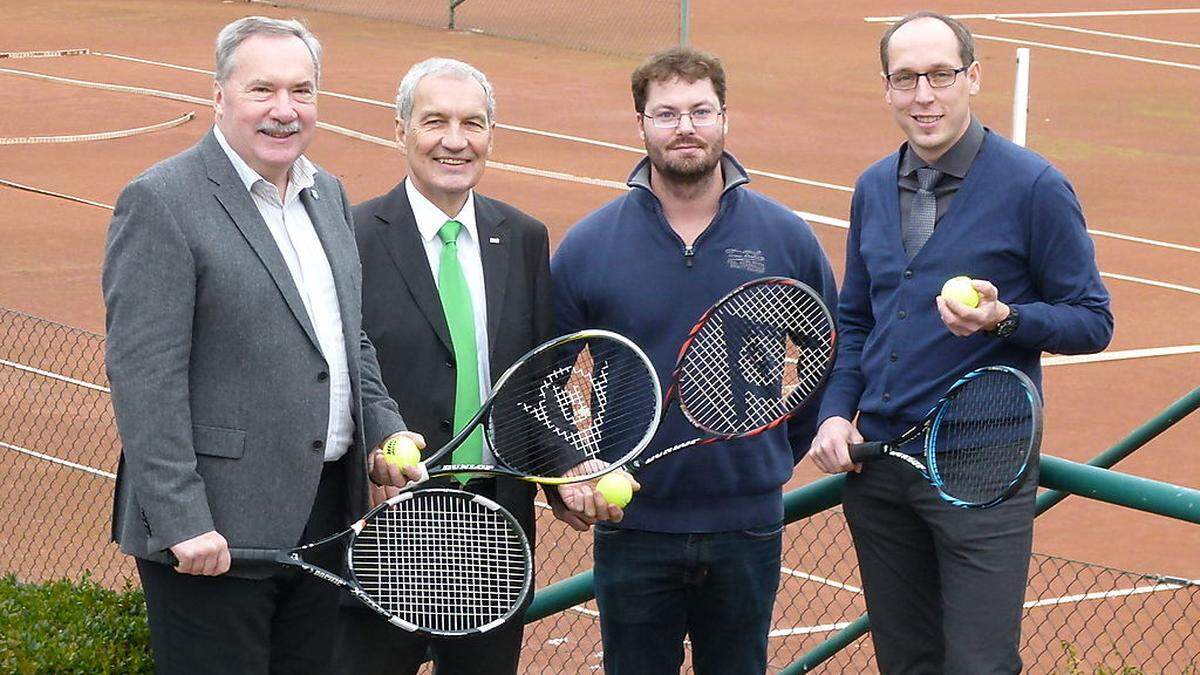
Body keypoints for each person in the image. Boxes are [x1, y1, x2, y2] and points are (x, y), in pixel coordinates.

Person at [103, 17, 423, 674]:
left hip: (324, 516)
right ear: (220, 96)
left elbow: (344, 337)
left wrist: (385, 431)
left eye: (301, 90)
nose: (285, 110)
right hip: (215, 532)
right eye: (263, 90)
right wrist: (181, 518)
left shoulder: (326, 192)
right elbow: (144, 375)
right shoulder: (161, 201)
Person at [807, 11, 1113, 674]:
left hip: (981, 469)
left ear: (972, 77)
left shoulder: (1034, 187)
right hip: (879, 467)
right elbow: (856, 318)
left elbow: (1092, 319)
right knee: (907, 662)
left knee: (979, 664)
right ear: (886, 88)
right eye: (907, 78)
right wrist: (835, 410)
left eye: (941, 75)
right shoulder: (871, 188)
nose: (925, 95)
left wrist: (1005, 319)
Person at [551, 47, 838, 674]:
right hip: (633, 527)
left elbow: (827, 356)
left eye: (701, 111)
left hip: (748, 526)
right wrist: (571, 469)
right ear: (641, 125)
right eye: (668, 113)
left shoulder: (786, 237)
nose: (686, 127)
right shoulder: (590, 245)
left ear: (725, 118)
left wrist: (770, 451)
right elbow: (539, 381)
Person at [333, 57, 567, 675]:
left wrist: (571, 471)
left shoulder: (523, 237)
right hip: (385, 521)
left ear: (492, 134)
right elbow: (332, 376)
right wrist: (372, 455)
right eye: (435, 121)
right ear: (400, 129)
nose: (455, 141)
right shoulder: (347, 236)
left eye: (474, 123)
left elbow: (533, 390)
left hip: (496, 527)